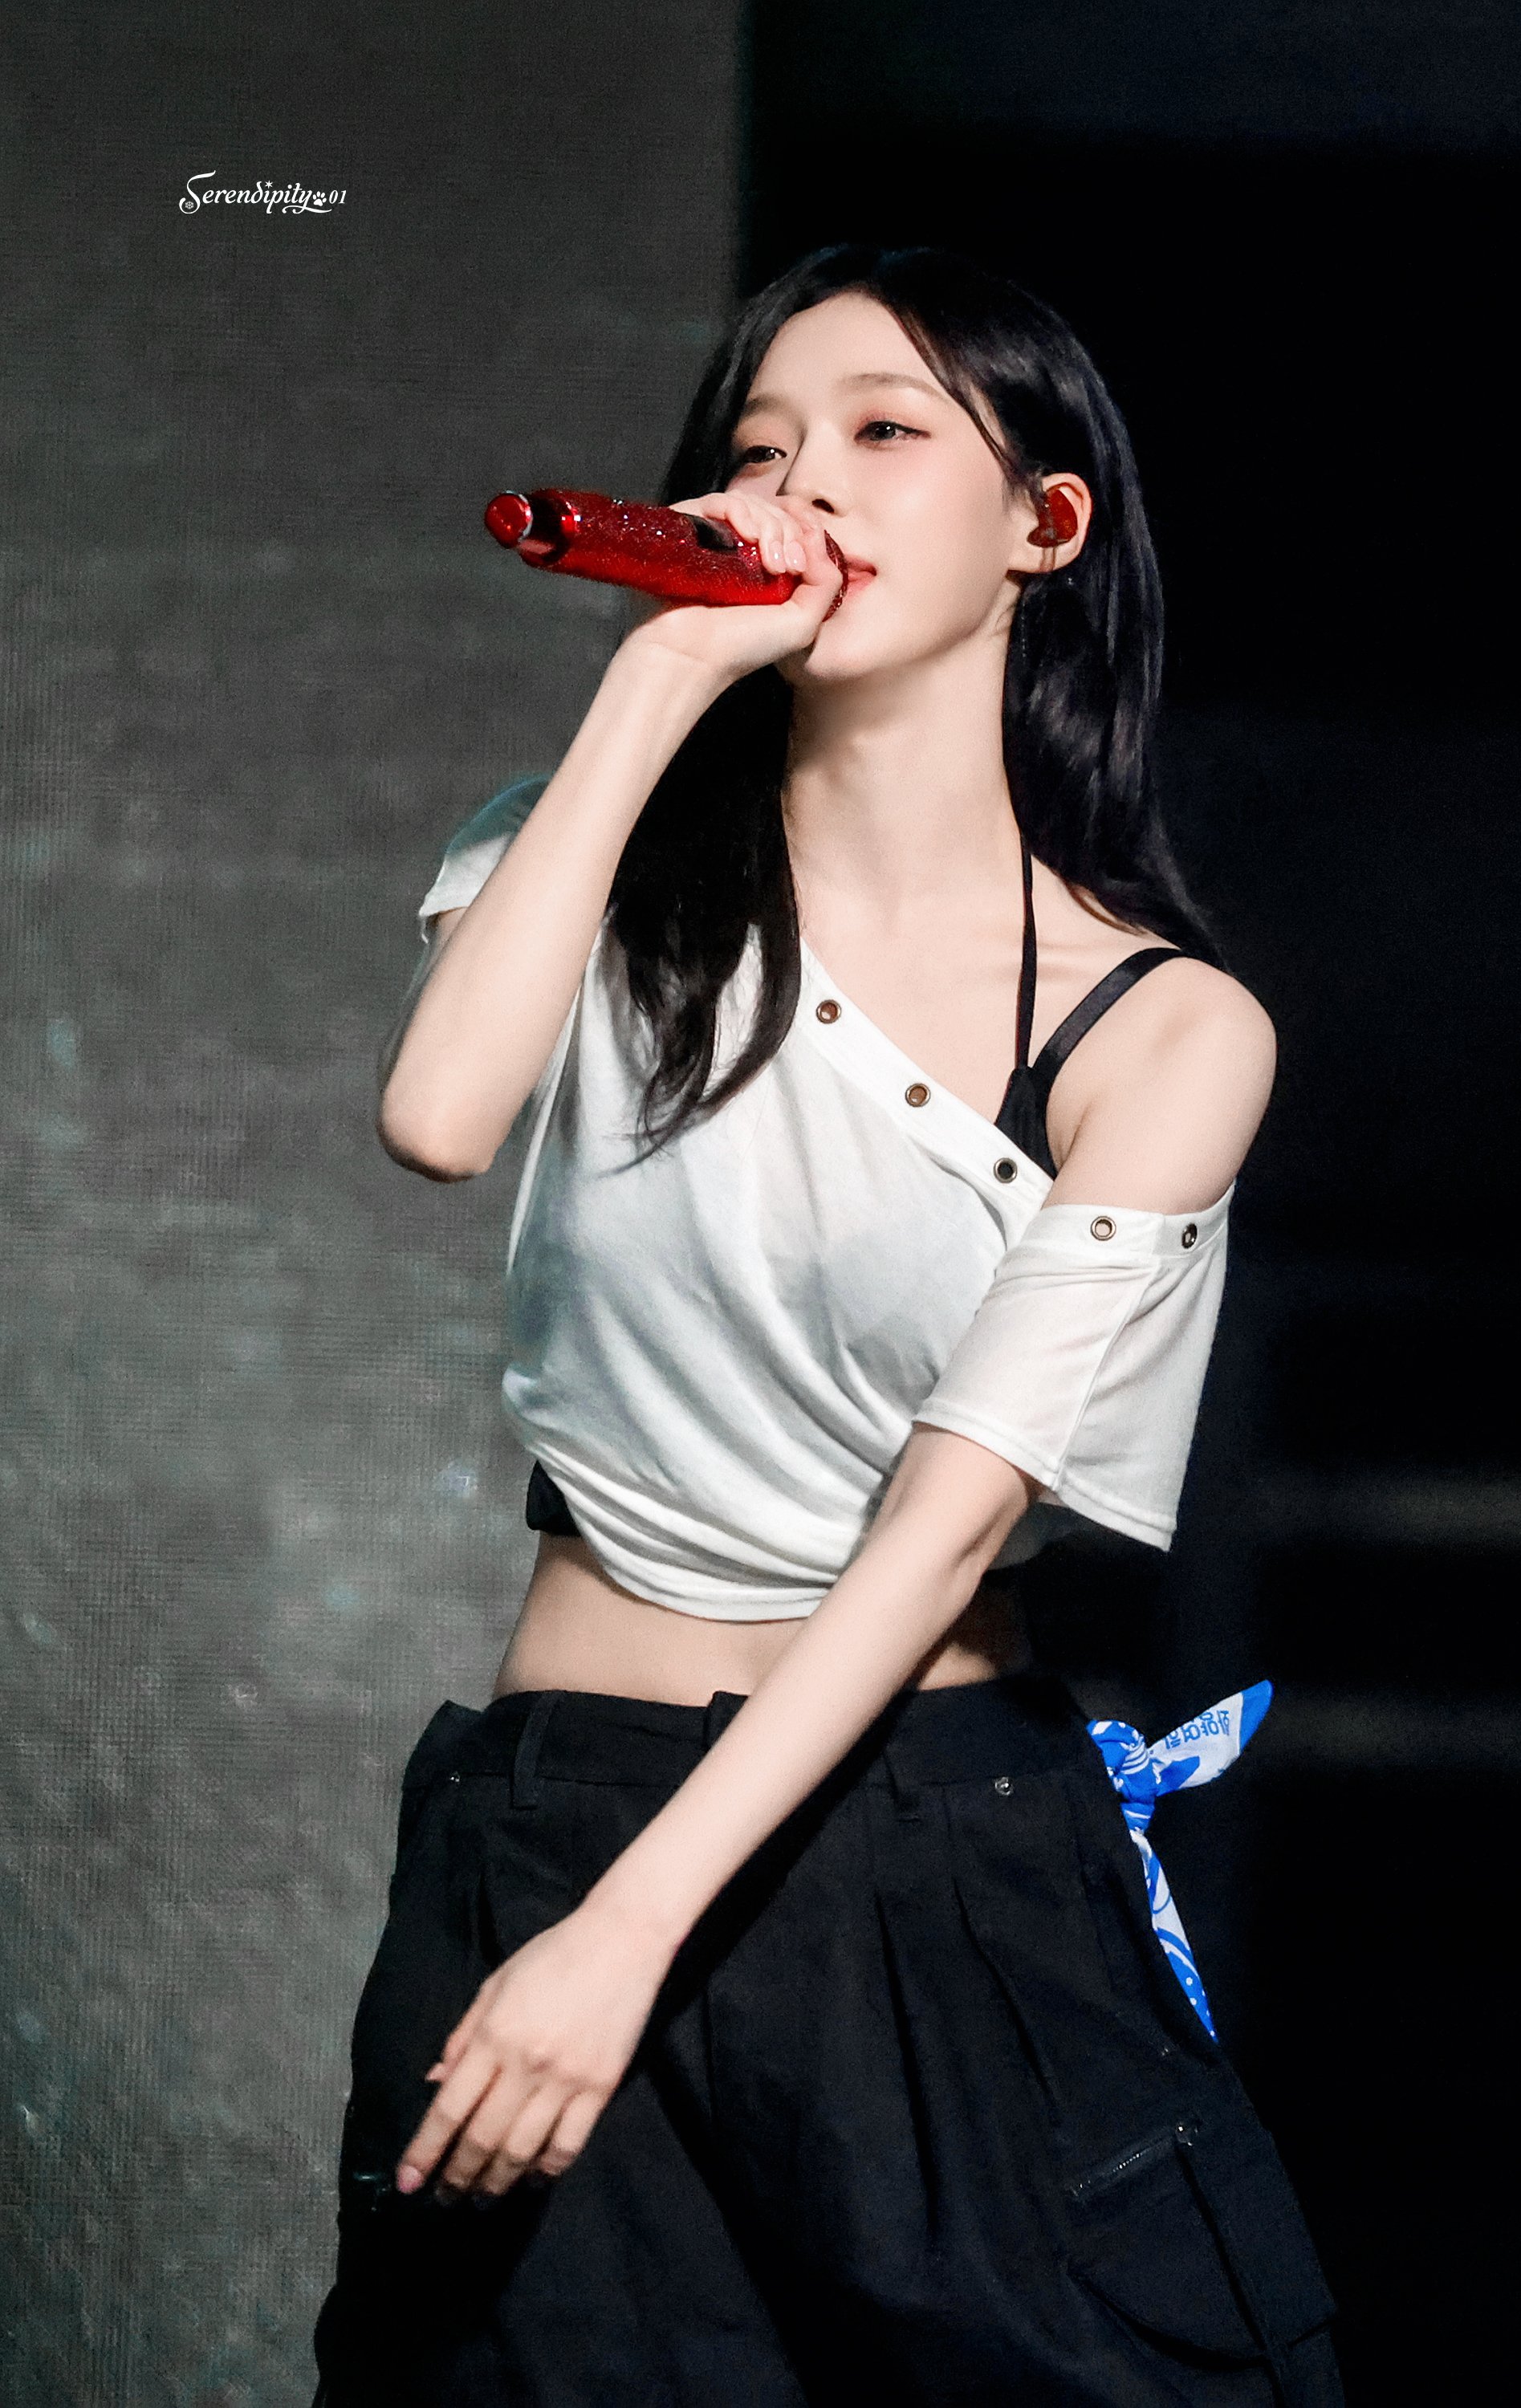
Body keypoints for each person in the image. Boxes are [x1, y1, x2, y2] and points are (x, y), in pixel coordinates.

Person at [312, 243, 1342, 2406]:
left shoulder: (1169, 1030)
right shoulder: (583, 864)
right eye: (763, 449)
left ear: (1043, 525)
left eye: (884, 433)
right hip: (552, 1810)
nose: (810, 490)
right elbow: (436, 1119)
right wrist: (658, 678)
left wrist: (634, 1934)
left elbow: (945, 1534)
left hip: (923, 1846)